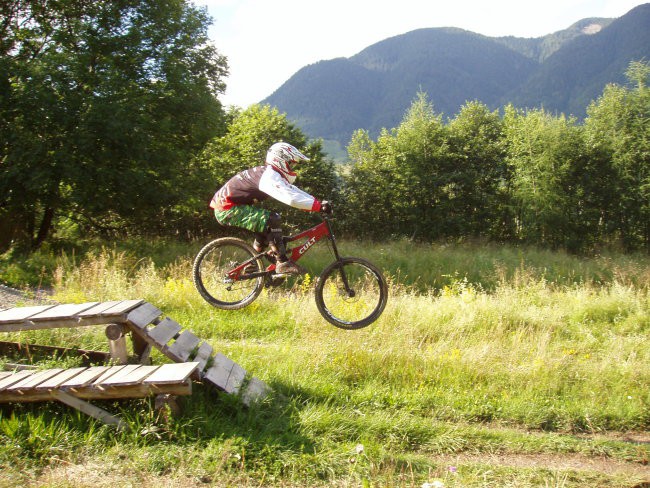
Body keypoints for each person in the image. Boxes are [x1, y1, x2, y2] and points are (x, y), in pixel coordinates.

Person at [209, 142, 331, 275]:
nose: (292, 167)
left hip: (230, 206)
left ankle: (252, 264)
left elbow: (293, 190)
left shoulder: (270, 173)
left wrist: (317, 203)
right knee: (272, 219)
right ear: (281, 161)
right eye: (291, 163)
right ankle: (282, 262)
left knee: (266, 227)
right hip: (226, 209)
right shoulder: (269, 176)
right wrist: (318, 206)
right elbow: (291, 198)